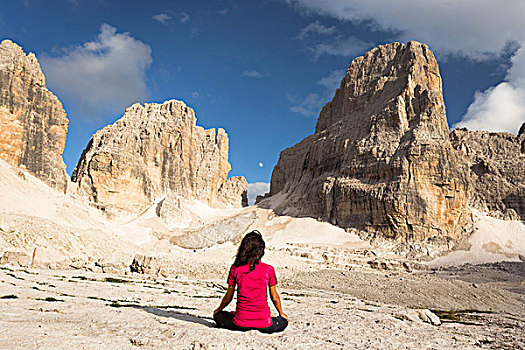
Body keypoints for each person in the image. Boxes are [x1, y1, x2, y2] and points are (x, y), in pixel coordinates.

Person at [213, 230, 288, 333]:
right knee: (283, 321)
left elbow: (228, 297)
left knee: (218, 316)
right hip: (264, 324)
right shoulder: (268, 269)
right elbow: (274, 297)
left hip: (240, 324)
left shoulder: (235, 268)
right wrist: (281, 313)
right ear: (261, 251)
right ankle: (268, 316)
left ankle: (237, 314)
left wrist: (219, 309)